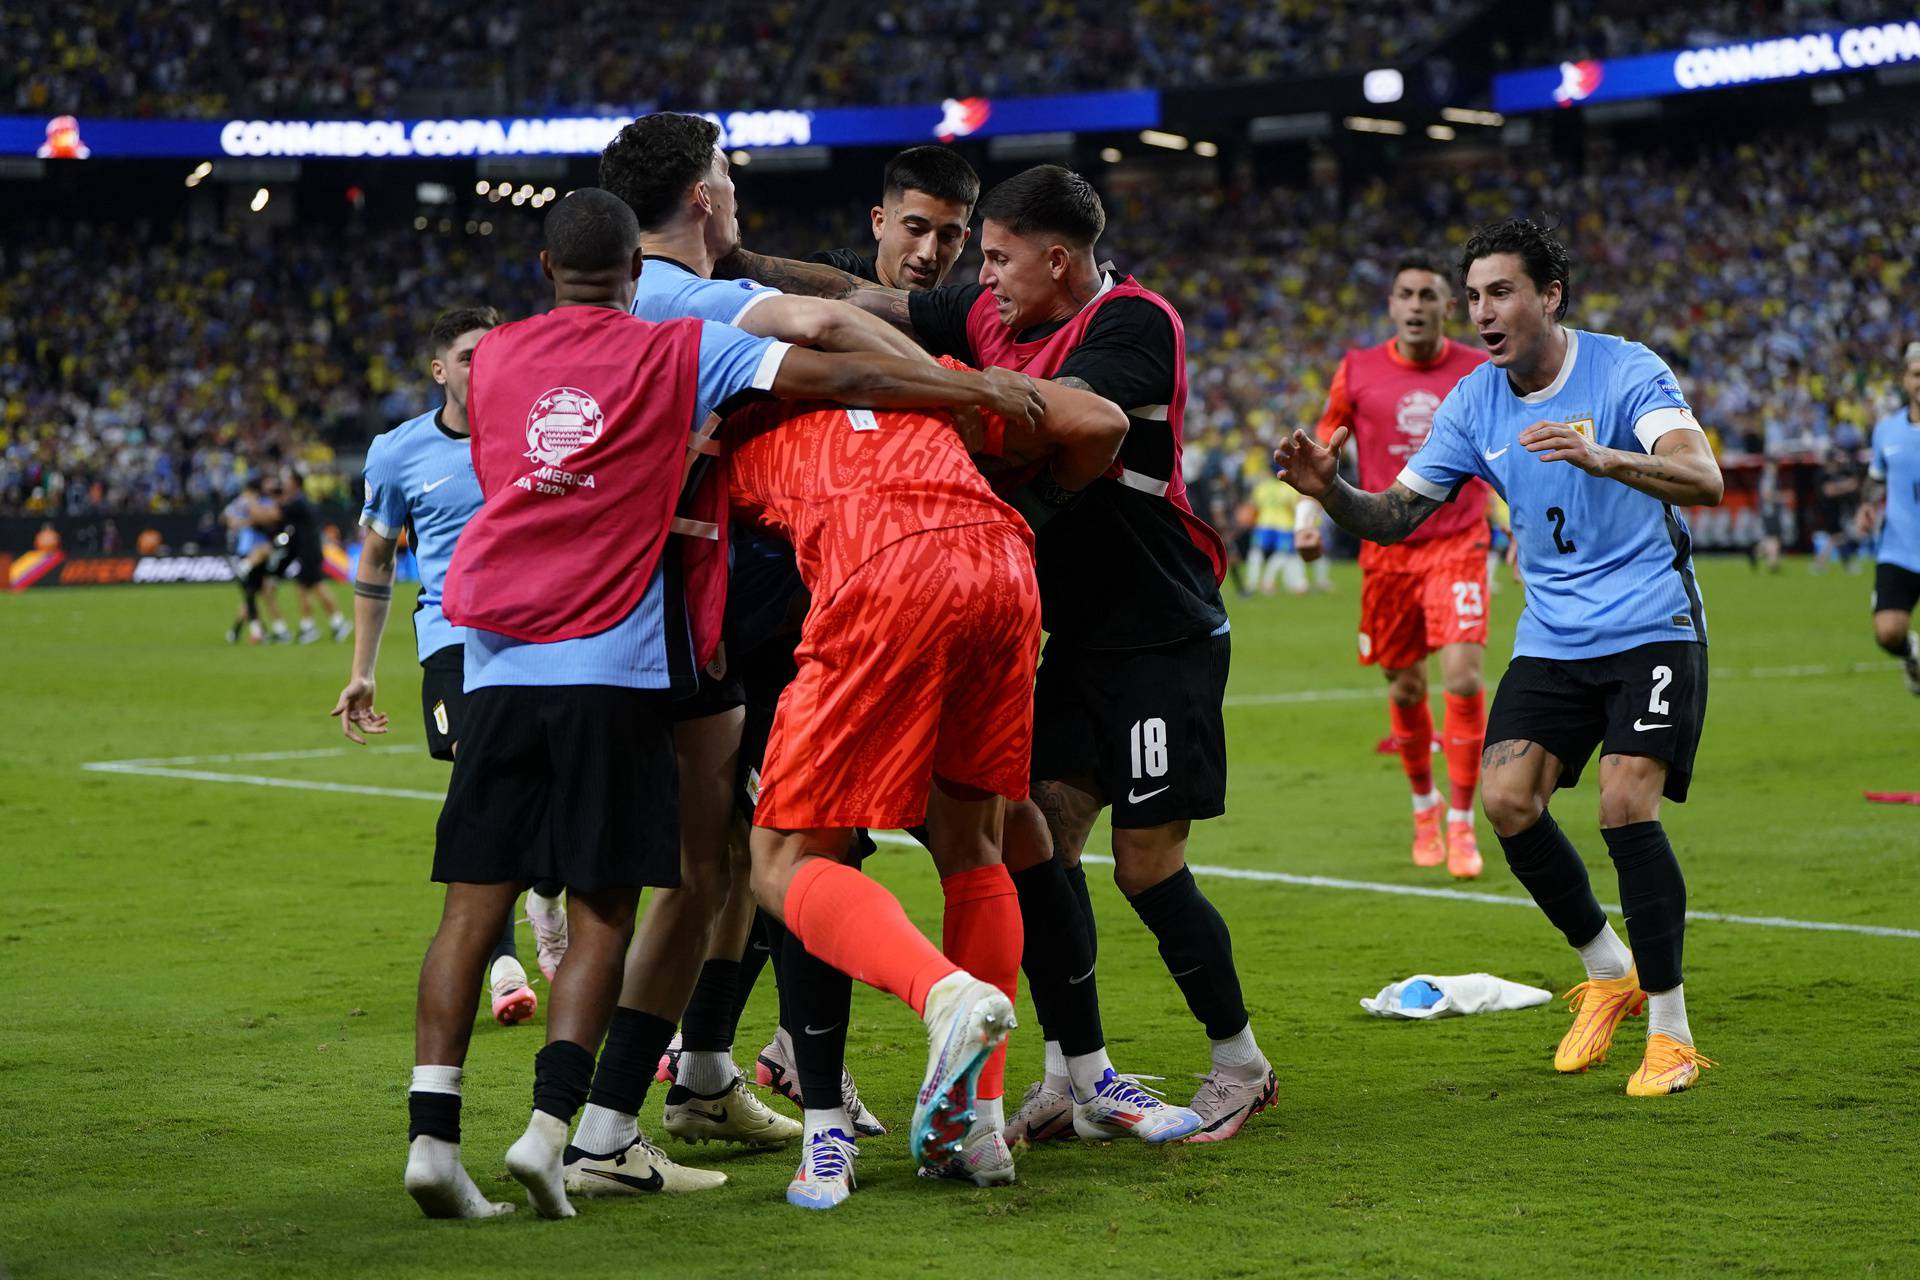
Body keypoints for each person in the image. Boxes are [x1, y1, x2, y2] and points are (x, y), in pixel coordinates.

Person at [399, 187, 1046, 1221]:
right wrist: (975, 391)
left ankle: (473, 1133)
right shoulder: (737, 352)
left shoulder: (559, 356)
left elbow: (509, 461)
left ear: (543, 266)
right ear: (652, 254)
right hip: (968, 571)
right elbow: (841, 346)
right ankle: (600, 1121)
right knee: (940, 843)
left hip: (533, 647)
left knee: (717, 869)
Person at [718, 164, 1273, 1144]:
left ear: (1055, 258)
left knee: (1142, 866)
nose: (978, 274)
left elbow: (1073, 416)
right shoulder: (980, 320)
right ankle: (1063, 1072)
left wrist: (987, 474)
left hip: (1156, 628)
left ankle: (1238, 1061)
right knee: (1031, 839)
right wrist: (732, 266)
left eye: (992, 253)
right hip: (1045, 626)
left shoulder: (1133, 322)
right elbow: (865, 301)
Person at [1275, 217, 1725, 1097]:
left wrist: (1602, 455)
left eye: (1501, 292)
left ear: (1550, 296)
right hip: (1556, 635)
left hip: (1651, 622)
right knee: (1507, 800)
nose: (1482, 311)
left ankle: (1671, 1033)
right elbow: (1398, 515)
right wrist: (1331, 492)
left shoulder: (1626, 369)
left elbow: (1702, 478)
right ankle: (1609, 972)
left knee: (1625, 804)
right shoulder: (1474, 402)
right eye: (1474, 295)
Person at [729, 365, 1128, 1205]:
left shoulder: (742, 411)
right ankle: (978, 1133)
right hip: (1002, 561)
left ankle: (936, 1002)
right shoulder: (931, 382)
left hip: (882, 572)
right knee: (975, 840)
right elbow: (1097, 422)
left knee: (782, 860)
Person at [327, 305, 566, 1031]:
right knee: (484, 775)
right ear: (440, 371)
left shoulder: (543, 435)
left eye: (493, 350)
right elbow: (374, 560)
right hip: (453, 640)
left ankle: (546, 893)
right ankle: (500, 961)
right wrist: (363, 669)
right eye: (468, 355)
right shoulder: (398, 453)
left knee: (552, 785)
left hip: (545, 635)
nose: (483, 363)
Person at [1299, 256, 1492, 879]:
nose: (1415, 305)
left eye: (1427, 296)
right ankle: (1423, 807)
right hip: (1387, 549)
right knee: (1406, 686)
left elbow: (1506, 444)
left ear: (1447, 306)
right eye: (1405, 294)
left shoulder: (1478, 369)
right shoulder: (1358, 370)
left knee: (1463, 675)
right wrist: (1308, 518)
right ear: (1392, 305)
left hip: (1458, 539)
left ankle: (1462, 823)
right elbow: (1325, 443)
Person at [807, 144, 980, 291]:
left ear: (962, 243)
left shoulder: (962, 322)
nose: (928, 254)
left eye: (947, 236)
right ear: (879, 223)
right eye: (914, 229)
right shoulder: (830, 274)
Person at [1858, 340, 1920, 694]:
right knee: (1888, 633)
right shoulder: (1887, 430)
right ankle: (1912, 653)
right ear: (1905, 379)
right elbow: (1876, 478)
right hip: (1899, 547)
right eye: (1916, 375)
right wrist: (1867, 505)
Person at [268, 469, 350, 643]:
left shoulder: (297, 503)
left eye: (288, 480)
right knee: (305, 587)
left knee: (316, 586)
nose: (285, 484)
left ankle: (333, 622)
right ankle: (313, 625)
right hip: (308, 550)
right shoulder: (300, 501)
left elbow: (276, 516)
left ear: (295, 483)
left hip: (309, 551)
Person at [1244, 472, 1306, 596]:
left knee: (1256, 551)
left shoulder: (1262, 486)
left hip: (1263, 523)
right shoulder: (1289, 488)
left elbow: (1254, 505)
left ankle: (1251, 582)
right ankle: (1268, 581)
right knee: (1283, 553)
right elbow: (1294, 507)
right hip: (1284, 525)